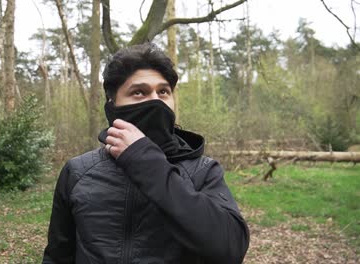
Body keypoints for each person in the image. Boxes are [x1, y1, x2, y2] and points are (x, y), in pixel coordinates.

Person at [42, 43, 249, 264]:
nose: (155, 101)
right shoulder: (78, 171)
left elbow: (231, 248)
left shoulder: (202, 170)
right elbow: (58, 255)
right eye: (139, 92)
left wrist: (146, 162)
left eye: (163, 92)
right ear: (112, 105)